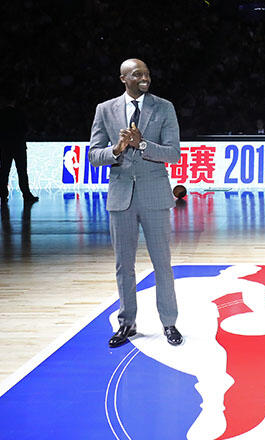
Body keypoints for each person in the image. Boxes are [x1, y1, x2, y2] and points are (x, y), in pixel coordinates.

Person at [88, 58, 183, 348]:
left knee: (162, 264)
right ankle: (127, 323)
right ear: (123, 78)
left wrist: (141, 144)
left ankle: (169, 323)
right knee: (123, 265)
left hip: (154, 194)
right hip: (121, 197)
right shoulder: (105, 109)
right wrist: (116, 149)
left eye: (147, 74)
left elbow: (173, 154)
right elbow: (94, 155)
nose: (145, 78)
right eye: (137, 74)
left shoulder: (164, 107)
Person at [0, 98, 38, 203]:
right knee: (22, 171)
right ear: (13, 102)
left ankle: (3, 195)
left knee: (4, 171)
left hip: (5, 146)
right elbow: (25, 128)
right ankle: (26, 194)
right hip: (19, 146)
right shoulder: (19, 113)